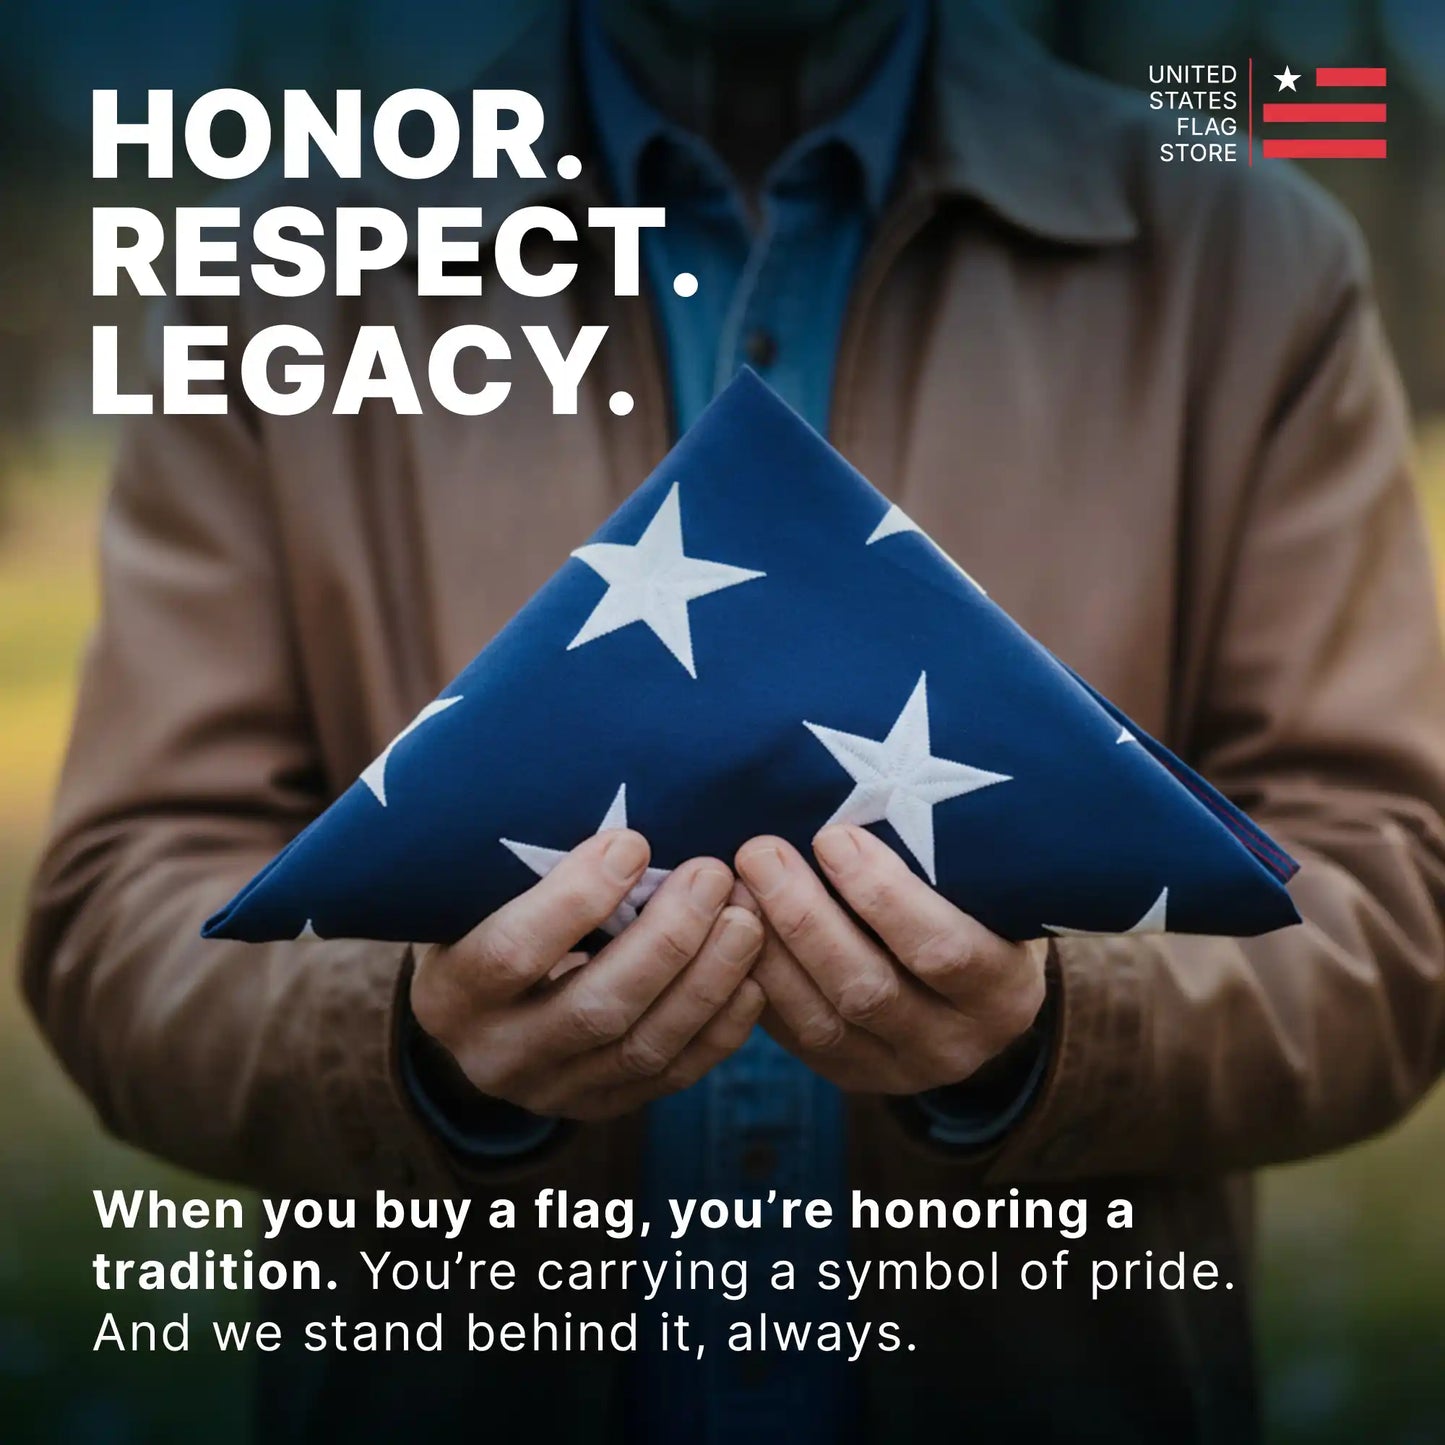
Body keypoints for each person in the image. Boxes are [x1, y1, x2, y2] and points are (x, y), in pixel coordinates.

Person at [21, 1, 1445, 1441]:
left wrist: (1061, 1036)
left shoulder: (1243, 261)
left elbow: (1391, 913)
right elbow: (119, 915)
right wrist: (401, 1048)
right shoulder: (286, 278)